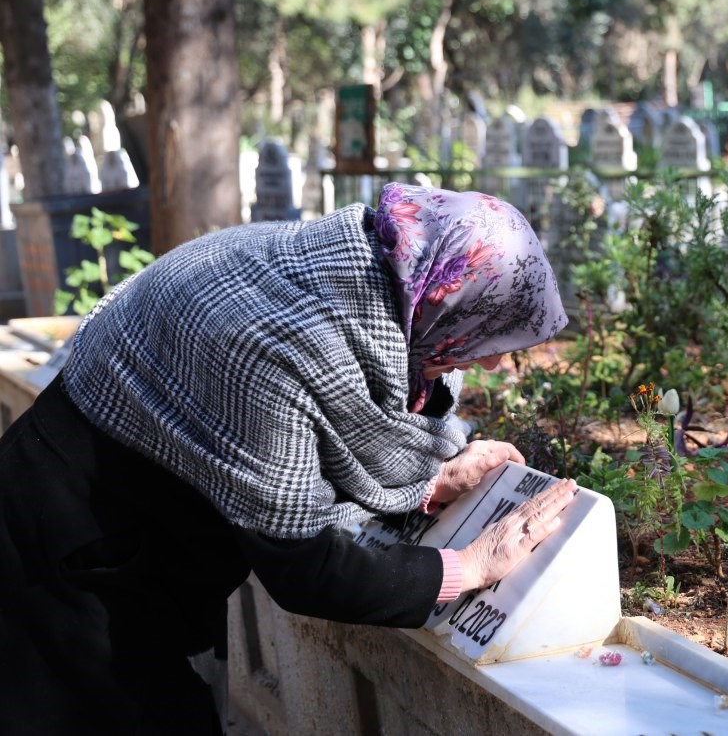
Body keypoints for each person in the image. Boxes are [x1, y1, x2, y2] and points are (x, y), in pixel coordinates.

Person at [0, 182, 577, 734]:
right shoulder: (274, 345)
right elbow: (303, 568)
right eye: (485, 332)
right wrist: (469, 568)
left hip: (99, 514)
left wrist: (427, 483)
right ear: (441, 294)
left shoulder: (332, 273)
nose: (492, 364)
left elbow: (306, 446)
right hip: (70, 549)